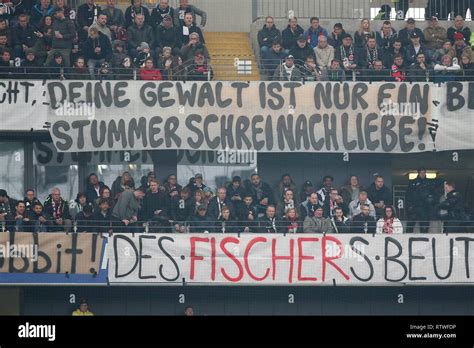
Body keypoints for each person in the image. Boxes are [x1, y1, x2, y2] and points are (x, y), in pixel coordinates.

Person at [405, 168, 442, 233]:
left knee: (424, 226)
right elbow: (408, 195)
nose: (423, 174)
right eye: (421, 173)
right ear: (418, 173)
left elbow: (434, 194)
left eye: (424, 173)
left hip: (425, 208)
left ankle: (424, 241)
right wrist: (409, 206)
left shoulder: (429, 183)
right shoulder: (412, 182)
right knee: (410, 226)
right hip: (414, 207)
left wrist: (431, 204)